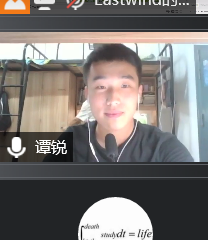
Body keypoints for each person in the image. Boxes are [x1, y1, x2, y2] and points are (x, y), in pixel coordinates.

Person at [62, 44, 194, 163]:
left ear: (139, 92)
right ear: (87, 94)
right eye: (101, 87)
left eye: (125, 85)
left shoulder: (165, 148)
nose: (113, 99)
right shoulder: (69, 141)